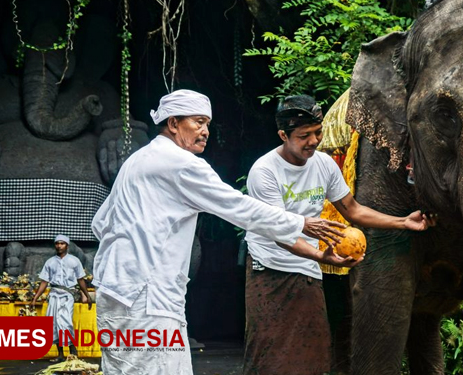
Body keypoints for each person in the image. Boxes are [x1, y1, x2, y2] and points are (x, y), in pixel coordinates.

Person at [91, 89, 360, 375]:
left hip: (117, 292)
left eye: (207, 123)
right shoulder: (181, 164)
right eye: (197, 122)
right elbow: (239, 207)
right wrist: (301, 223)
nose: (205, 131)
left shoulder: (138, 159)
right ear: (173, 124)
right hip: (147, 299)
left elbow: (100, 222)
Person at [242, 94, 436, 375]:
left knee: (313, 353)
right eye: (303, 135)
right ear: (283, 135)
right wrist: (323, 256)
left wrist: (403, 222)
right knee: (268, 353)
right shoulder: (264, 172)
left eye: (318, 132)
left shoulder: (323, 164)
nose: (313, 141)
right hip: (268, 269)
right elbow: (281, 234)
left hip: (307, 268)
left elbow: (353, 210)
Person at [31, 234, 93, 362]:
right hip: (53, 295)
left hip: (67, 295)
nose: (59, 246)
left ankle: (72, 350)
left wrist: (87, 296)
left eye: (62, 243)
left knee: (65, 321)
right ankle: (60, 355)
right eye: (57, 243)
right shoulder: (50, 262)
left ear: (67, 245)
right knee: (53, 323)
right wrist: (35, 298)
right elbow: (44, 282)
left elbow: (80, 280)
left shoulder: (74, 261)